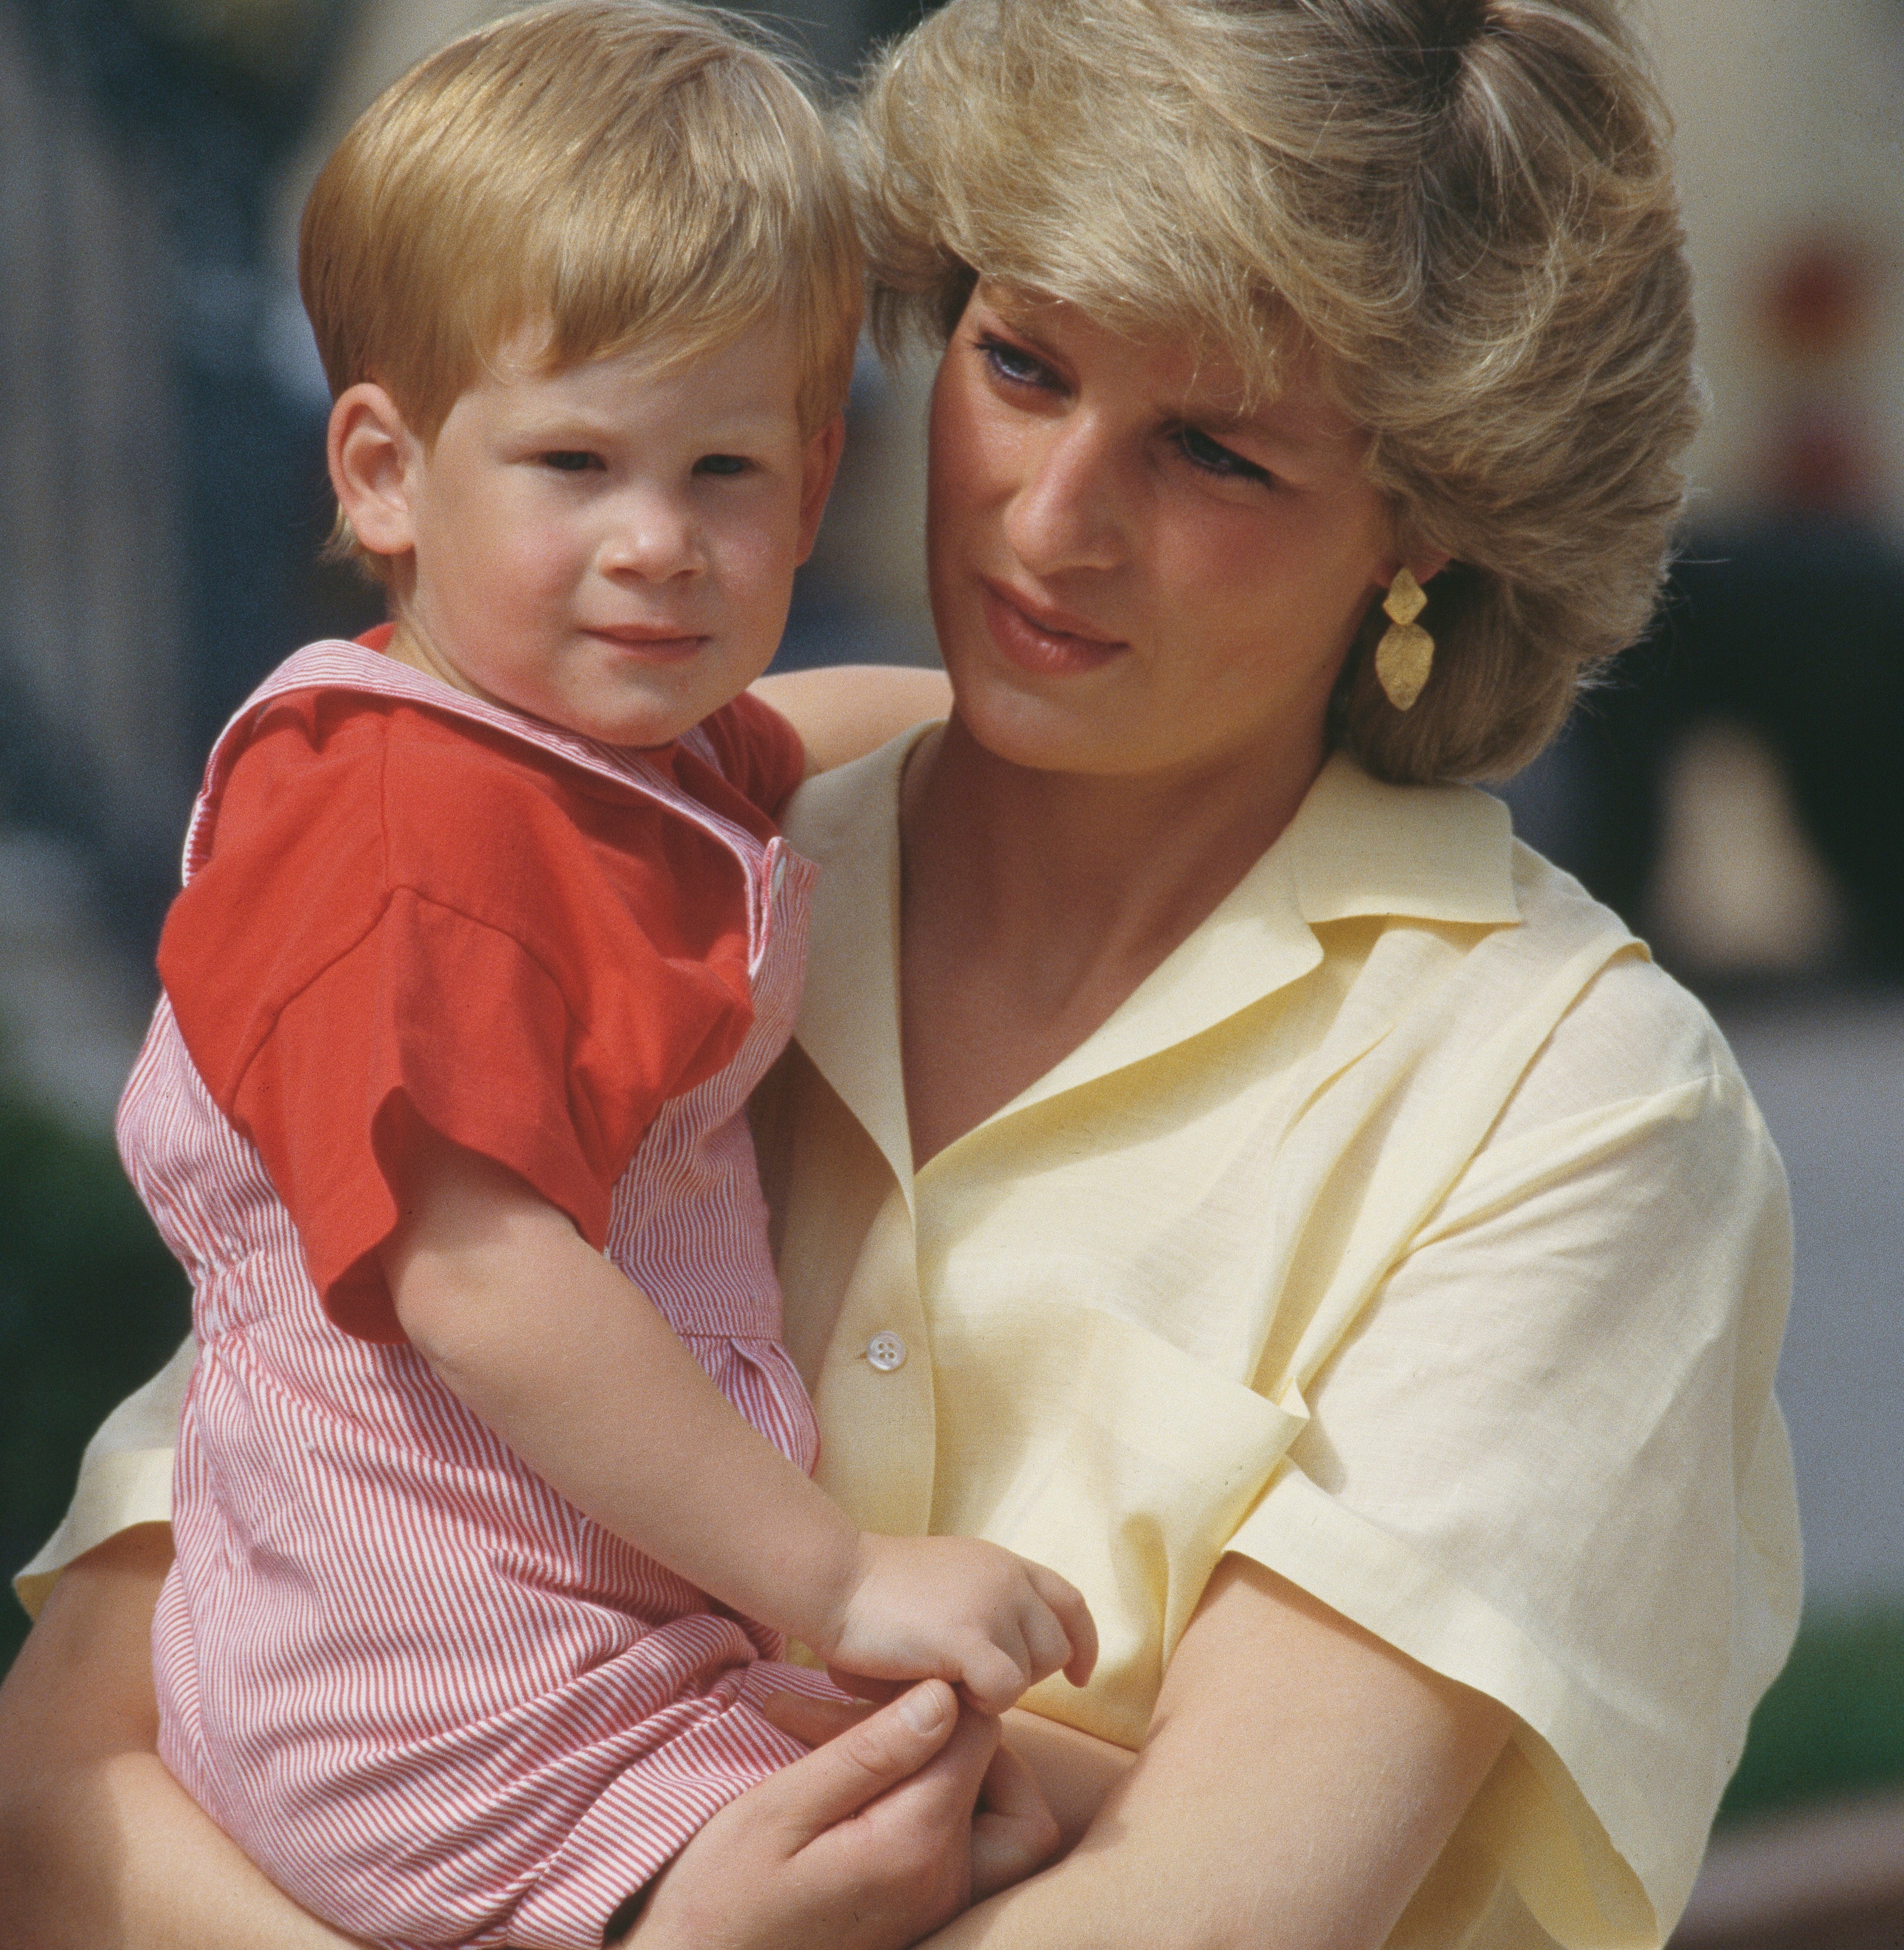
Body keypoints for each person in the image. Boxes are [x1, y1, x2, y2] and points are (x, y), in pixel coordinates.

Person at [0, 2, 1800, 1947]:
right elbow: (69, 1791)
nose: (1050, 522)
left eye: (1211, 451)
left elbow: (1202, 1922)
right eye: (1020, 365)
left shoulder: (1572, 1103)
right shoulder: (585, 838)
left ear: (1432, 521)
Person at [71, 6, 1092, 1946]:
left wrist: (1087, 749)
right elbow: (481, 1276)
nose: (659, 546)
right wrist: (841, 1576)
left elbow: (840, 737)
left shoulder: (606, 754)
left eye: (723, 471)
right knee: (988, 1828)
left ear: (810, 489)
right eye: (573, 462)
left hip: (589, 1632)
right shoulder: (393, 833)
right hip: (447, 1698)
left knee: (1070, 1803)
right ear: (383, 474)